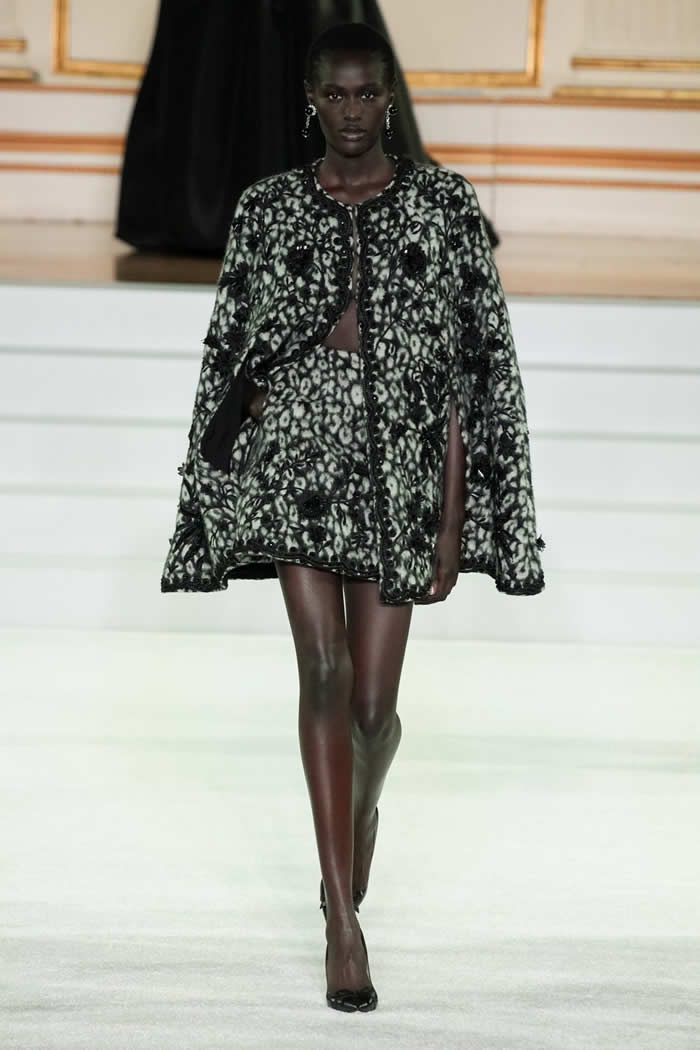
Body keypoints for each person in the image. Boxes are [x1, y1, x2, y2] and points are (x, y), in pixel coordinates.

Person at [160, 21, 545, 1012]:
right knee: (323, 673)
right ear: (310, 102)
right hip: (295, 458)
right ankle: (341, 914)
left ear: (390, 100)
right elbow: (231, 351)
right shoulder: (268, 208)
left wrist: (453, 523)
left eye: (368, 94)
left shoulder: (443, 207)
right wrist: (217, 477)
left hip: (398, 471)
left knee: (373, 708)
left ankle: (359, 811)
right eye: (334, 95)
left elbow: (471, 371)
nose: (352, 111)